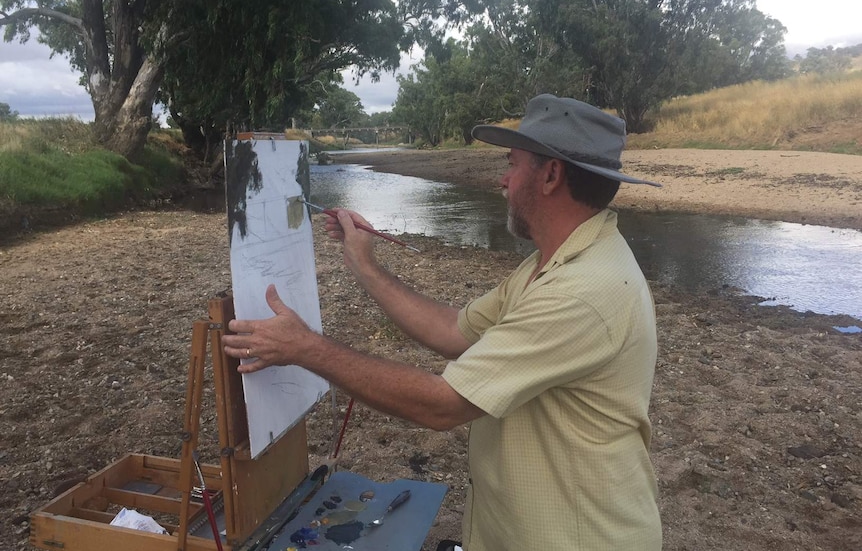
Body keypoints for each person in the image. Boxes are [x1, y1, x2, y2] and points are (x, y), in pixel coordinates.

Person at [223, 94, 663, 550]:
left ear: (550, 175)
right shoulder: (554, 263)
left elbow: (444, 405)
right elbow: (454, 332)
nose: (504, 180)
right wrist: (365, 266)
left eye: (512, 164)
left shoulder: (581, 291)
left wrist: (305, 348)